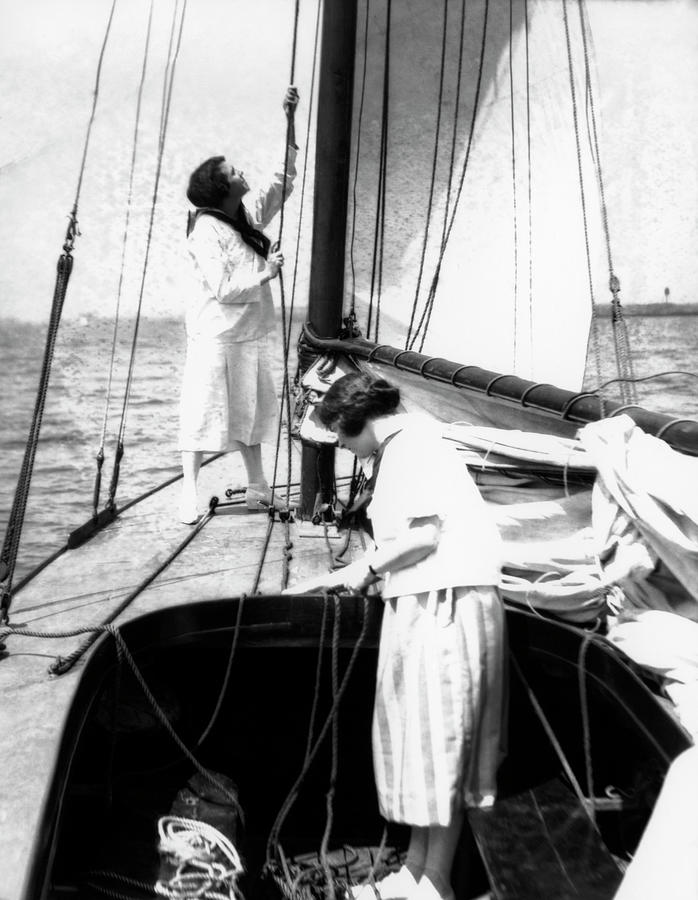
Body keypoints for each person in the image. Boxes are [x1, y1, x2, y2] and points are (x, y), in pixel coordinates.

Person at [285, 372, 507, 900]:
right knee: (423, 747)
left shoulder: (413, 447)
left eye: (340, 436)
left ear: (355, 420)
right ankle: (414, 872)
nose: (342, 447)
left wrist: (361, 570)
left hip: (447, 606)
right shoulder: (407, 445)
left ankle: (437, 883)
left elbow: (423, 535)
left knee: (441, 750)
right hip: (428, 601)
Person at [177, 85, 300, 523]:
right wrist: (267, 272)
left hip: (246, 336)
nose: (242, 172)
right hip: (215, 338)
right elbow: (225, 289)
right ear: (221, 187)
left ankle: (257, 489)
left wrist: (289, 121)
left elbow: (281, 184)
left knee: (250, 416)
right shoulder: (206, 231)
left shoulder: (242, 219)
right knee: (202, 416)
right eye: (234, 171)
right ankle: (188, 493)